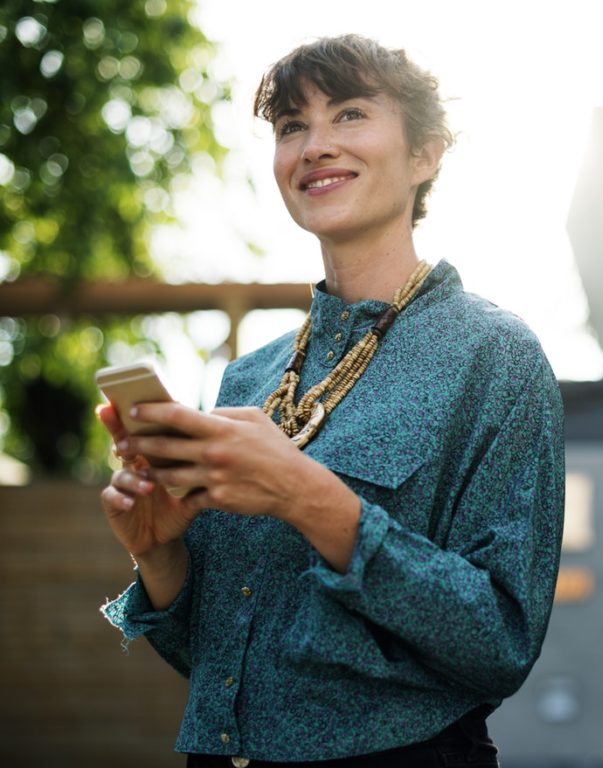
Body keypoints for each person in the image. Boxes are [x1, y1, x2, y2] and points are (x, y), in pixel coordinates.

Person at [99, 34, 565, 768]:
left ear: (425, 154)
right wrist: (156, 553)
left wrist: (306, 495)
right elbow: (217, 664)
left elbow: (502, 642)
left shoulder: (495, 357)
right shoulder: (247, 380)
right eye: (291, 126)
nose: (314, 145)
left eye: (348, 114)